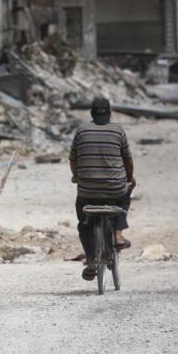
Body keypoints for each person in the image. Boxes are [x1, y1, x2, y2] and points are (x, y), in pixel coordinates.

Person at [69, 96, 136, 281]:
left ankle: (91, 259)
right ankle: (118, 234)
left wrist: (76, 176)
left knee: (83, 221)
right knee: (125, 196)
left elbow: (73, 159)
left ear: (91, 113)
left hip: (87, 191)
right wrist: (129, 178)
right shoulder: (118, 130)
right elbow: (127, 160)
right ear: (109, 113)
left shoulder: (81, 130)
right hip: (115, 189)